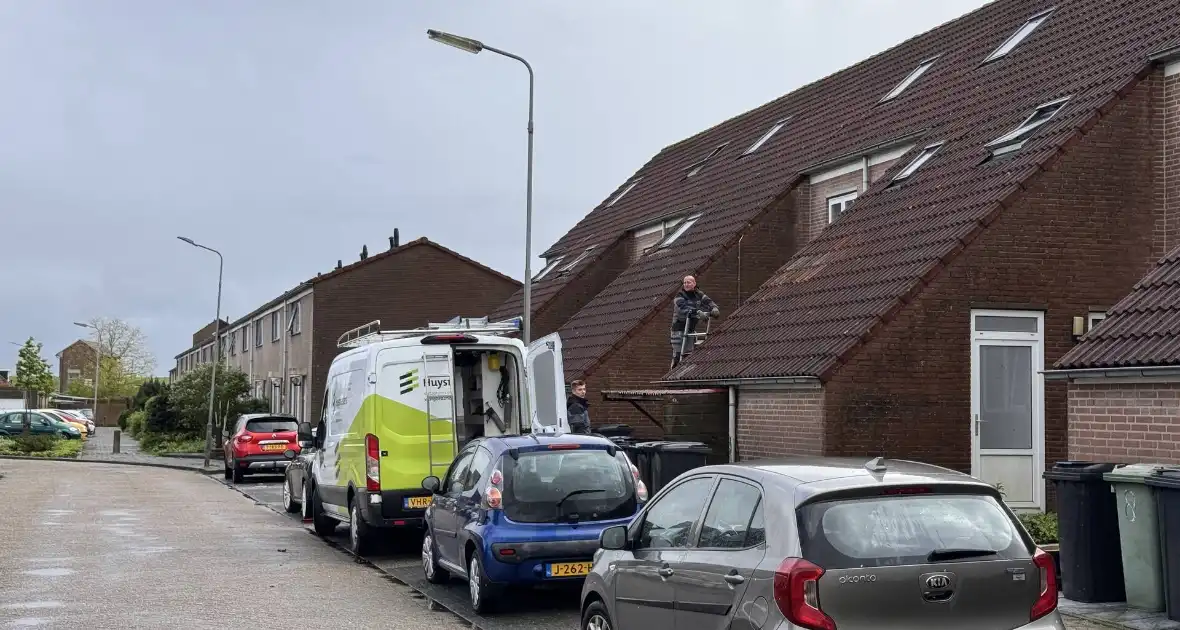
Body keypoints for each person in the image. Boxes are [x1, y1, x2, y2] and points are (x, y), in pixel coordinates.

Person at [671, 275, 719, 367]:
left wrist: (714, 308)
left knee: (689, 355)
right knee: (678, 355)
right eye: (684, 283)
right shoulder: (679, 296)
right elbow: (682, 309)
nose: (686, 284)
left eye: (688, 282)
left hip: (690, 329)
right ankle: (672, 375)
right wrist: (697, 312)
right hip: (679, 331)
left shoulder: (698, 294)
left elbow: (708, 301)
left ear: (694, 283)